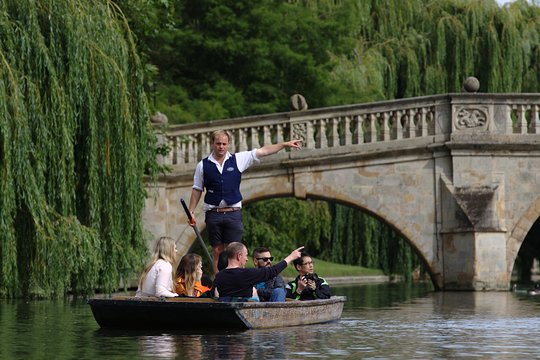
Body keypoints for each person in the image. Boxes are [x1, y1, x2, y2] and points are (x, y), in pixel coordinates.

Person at [187, 129, 302, 274]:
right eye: (218, 143)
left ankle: (235, 282)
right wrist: (191, 211)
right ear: (212, 144)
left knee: (235, 251)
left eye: (224, 144)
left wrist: (285, 144)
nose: (221, 147)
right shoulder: (202, 165)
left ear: (228, 144)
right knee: (217, 250)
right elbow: (197, 189)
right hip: (213, 213)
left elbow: (263, 151)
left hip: (233, 213)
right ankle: (219, 283)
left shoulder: (238, 159)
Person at [213, 242, 304, 302]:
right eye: (246, 255)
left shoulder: (219, 276)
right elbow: (273, 271)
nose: (247, 259)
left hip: (228, 311)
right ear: (239, 256)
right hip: (246, 312)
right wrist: (291, 257)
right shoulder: (246, 274)